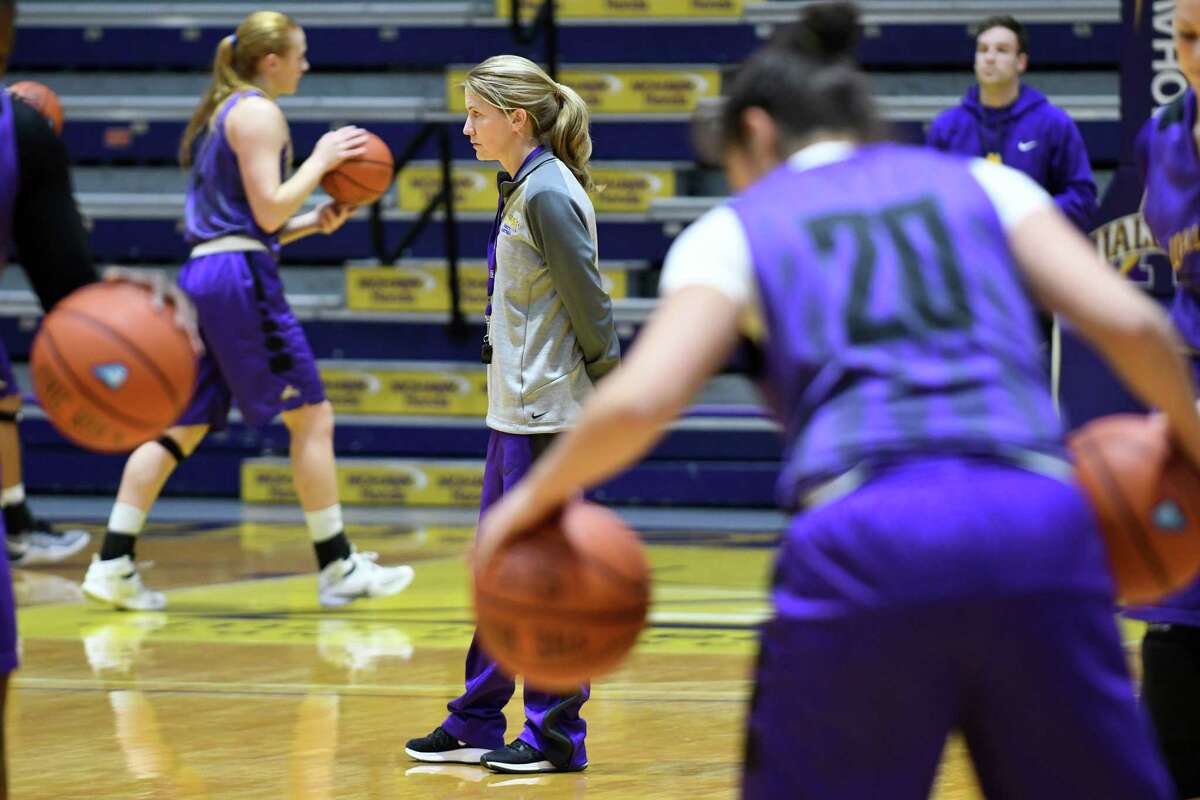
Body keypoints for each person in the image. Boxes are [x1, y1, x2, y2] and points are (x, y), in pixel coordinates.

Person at [473, 3, 1186, 797]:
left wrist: (527, 503)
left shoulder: (736, 228)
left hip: (866, 529)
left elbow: (641, 401)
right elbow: (1134, 326)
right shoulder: (990, 186)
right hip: (1039, 518)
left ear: (757, 133)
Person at [81, 10, 415, 611]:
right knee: (312, 416)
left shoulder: (224, 112)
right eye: (300, 55)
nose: (306, 66)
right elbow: (266, 212)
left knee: (184, 424)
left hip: (212, 272)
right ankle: (338, 566)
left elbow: (252, 223)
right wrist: (320, 160)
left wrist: (311, 224)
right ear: (271, 61)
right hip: (237, 279)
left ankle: (112, 561)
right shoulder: (258, 112)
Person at [405, 55, 619, 775]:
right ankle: (475, 718)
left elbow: (592, 307)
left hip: (550, 420)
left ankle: (556, 734)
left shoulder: (549, 193)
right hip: (515, 416)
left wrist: (612, 397)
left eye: (476, 114)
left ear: (516, 118)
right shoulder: (526, 185)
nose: (466, 128)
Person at [1125, 2, 1200, 796]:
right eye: (1186, 35)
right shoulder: (1163, 136)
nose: (1197, 51)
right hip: (1190, 394)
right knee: (1177, 603)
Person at [926, 15, 1097, 231]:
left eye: (1001, 50)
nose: (990, 58)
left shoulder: (1053, 123)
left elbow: (1082, 197)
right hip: (969, 245)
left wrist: (1027, 218)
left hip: (1030, 246)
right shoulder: (947, 127)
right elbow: (928, 197)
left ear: (1021, 62)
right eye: (983, 50)